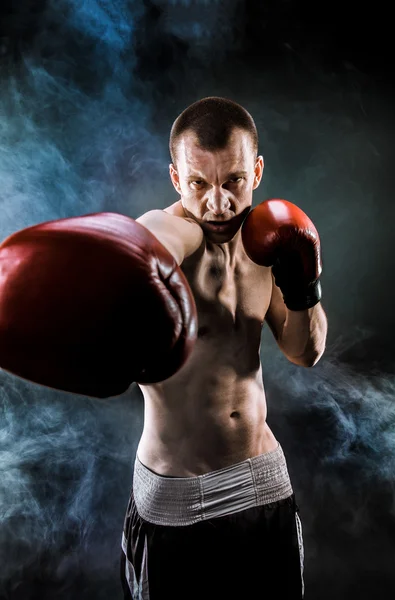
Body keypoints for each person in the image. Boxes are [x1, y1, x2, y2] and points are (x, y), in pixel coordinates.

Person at [120, 97, 328, 599]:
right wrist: (138, 267)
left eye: (233, 180)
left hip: (263, 481)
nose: (218, 203)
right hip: (180, 497)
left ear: (256, 170)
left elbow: (306, 352)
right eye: (198, 184)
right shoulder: (166, 232)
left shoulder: (270, 240)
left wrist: (303, 288)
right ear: (176, 179)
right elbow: (149, 242)